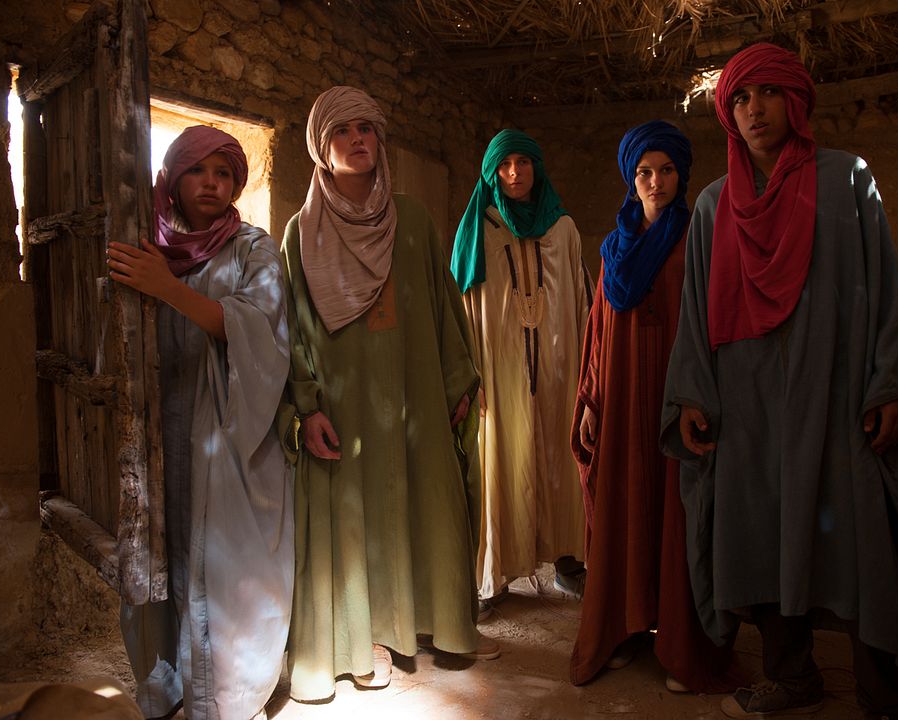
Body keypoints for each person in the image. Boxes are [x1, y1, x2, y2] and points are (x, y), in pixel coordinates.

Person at [659, 43, 898, 720]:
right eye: (742, 98)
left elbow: (886, 291)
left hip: (837, 397)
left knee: (860, 531)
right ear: (729, 113)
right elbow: (695, 312)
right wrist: (693, 392)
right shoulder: (714, 208)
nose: (755, 110)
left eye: (769, 94)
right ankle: (793, 675)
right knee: (757, 535)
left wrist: (890, 385)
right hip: (746, 409)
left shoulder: (847, 183)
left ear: (797, 101)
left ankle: (881, 683)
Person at [280, 86, 496, 703]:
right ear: (321, 148)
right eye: (342, 131)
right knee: (355, 519)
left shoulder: (414, 218)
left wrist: (460, 380)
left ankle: (434, 627)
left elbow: (444, 305)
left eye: (366, 130)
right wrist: (308, 404)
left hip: (417, 394)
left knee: (427, 498)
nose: (357, 141)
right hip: (344, 408)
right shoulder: (301, 234)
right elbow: (294, 325)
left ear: (380, 141)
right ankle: (360, 644)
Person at [108, 126, 292, 720]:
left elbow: (259, 329)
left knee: (225, 560)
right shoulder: (147, 246)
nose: (211, 183)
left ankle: (226, 693)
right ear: (172, 179)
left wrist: (166, 288)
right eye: (197, 171)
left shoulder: (253, 248)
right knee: (165, 549)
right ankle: (166, 679)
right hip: (164, 426)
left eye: (223, 172)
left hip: (227, 429)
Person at [570, 120, 742, 694]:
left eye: (666, 170)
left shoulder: (698, 238)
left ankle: (681, 644)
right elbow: (597, 332)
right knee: (626, 508)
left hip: (673, 403)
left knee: (676, 512)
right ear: (630, 178)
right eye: (644, 171)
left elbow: (714, 323)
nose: (655, 181)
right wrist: (592, 399)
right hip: (621, 405)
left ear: (682, 175)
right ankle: (623, 631)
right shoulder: (613, 250)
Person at [451, 129, 591, 609]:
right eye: (505, 164)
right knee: (502, 460)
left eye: (524, 162)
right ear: (492, 172)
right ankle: (498, 574)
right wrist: (468, 377)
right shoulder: (478, 230)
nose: (514, 173)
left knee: (560, 458)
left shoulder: (563, 229)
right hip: (499, 371)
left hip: (558, 370)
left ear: (538, 168)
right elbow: (462, 310)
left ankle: (569, 561)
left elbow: (583, 303)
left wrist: (586, 375)